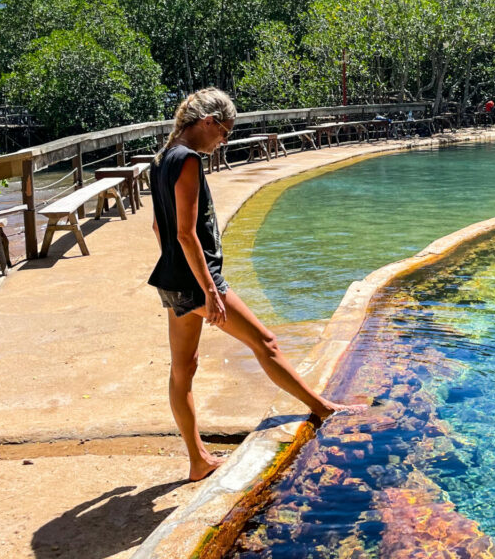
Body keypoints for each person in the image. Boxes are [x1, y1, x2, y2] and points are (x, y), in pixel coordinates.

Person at [149, 88, 362, 481]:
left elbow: (159, 229)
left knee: (183, 368)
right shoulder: (189, 161)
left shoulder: (162, 158)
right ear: (208, 121)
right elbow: (185, 233)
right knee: (265, 343)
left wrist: (175, 272)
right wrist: (211, 293)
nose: (224, 141)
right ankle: (325, 409)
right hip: (199, 282)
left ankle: (198, 461)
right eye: (224, 132)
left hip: (172, 280)